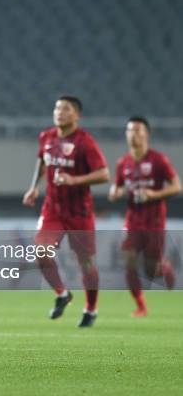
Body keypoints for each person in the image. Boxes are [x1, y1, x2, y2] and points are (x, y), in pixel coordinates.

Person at [23, 96, 109, 327]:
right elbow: (42, 161)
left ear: (76, 115)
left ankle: (90, 308)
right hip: (53, 209)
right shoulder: (47, 137)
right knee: (40, 250)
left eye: (66, 108)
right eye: (57, 107)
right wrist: (33, 188)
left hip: (79, 212)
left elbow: (104, 174)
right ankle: (62, 294)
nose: (59, 112)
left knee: (86, 263)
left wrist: (74, 179)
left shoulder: (85, 142)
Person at [108, 116, 180, 317]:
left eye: (138, 130)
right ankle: (141, 306)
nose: (134, 135)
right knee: (128, 260)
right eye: (130, 130)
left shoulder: (158, 160)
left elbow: (176, 186)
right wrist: (115, 192)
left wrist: (154, 194)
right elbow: (118, 185)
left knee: (151, 270)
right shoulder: (123, 163)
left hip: (154, 222)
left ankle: (164, 268)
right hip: (132, 221)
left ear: (146, 134)